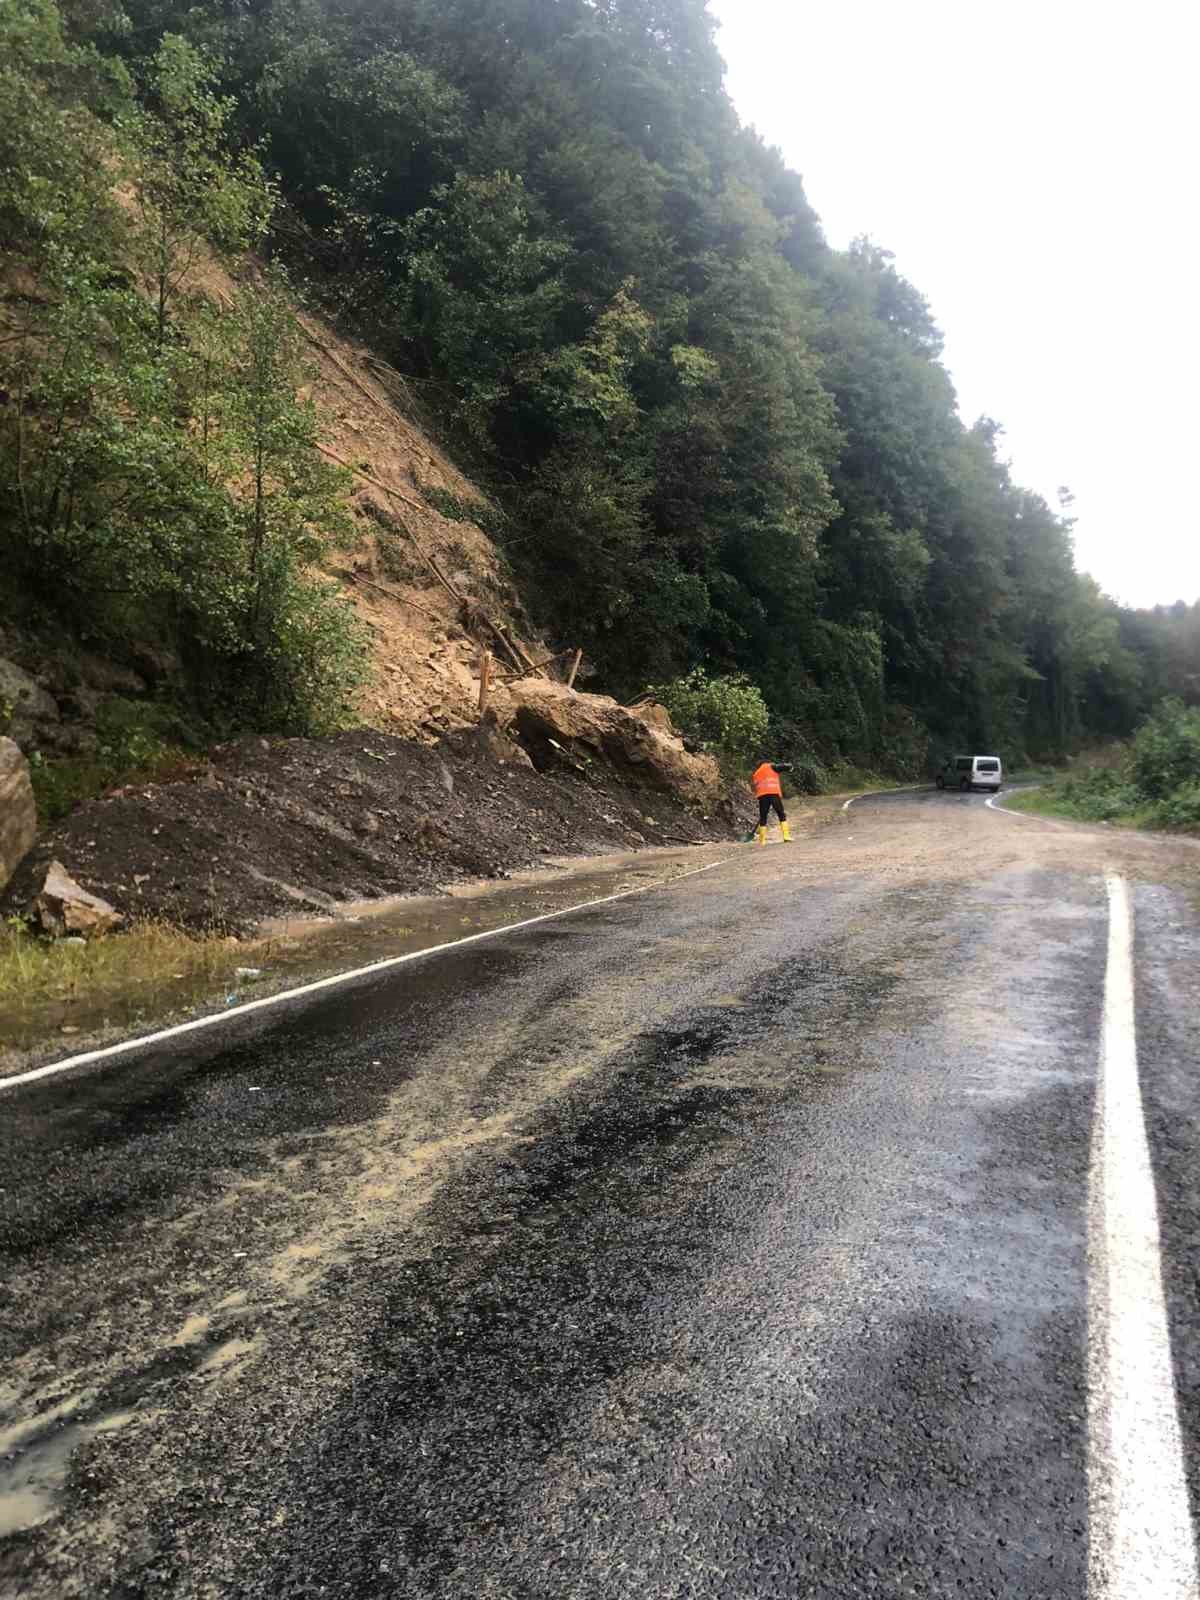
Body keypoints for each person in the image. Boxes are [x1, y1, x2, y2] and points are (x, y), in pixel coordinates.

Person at [750, 760, 792, 845]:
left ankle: (762, 841)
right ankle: (786, 836)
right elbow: (785, 765)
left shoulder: (756, 773)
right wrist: (790, 767)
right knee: (781, 814)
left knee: (763, 817)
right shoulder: (771, 766)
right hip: (773, 794)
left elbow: (755, 787)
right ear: (766, 762)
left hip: (762, 796)